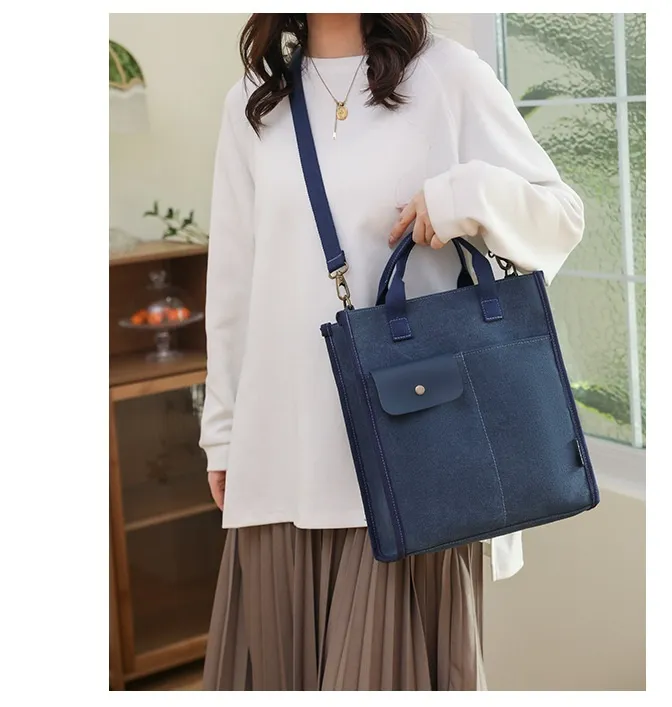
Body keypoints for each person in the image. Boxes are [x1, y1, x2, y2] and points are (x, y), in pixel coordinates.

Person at [199, 13, 584, 691]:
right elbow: (234, 281)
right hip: (283, 452)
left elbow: (560, 217)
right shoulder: (254, 101)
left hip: (413, 460)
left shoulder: (448, 76)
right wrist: (223, 434)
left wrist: (462, 195)